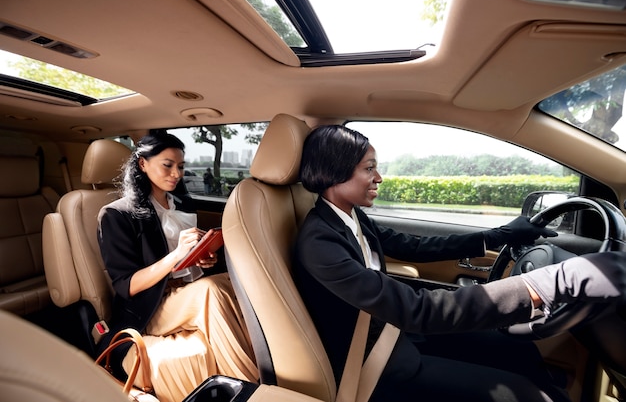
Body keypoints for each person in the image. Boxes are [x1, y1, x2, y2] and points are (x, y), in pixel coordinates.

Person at [293, 125, 626, 402]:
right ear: (335, 170)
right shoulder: (319, 242)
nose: (379, 176)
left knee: (515, 350)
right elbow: (415, 309)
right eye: (369, 167)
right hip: (377, 362)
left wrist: (498, 235)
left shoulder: (350, 216)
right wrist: (541, 287)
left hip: (395, 333)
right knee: (526, 396)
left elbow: (415, 246)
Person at [97, 130, 258, 402]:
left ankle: (255, 378)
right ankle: (251, 389)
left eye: (181, 166)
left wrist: (204, 258)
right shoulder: (116, 214)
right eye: (167, 165)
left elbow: (189, 262)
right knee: (211, 291)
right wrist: (175, 257)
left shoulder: (183, 203)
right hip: (153, 305)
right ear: (143, 164)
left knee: (227, 281)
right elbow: (126, 286)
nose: (176, 173)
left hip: (188, 292)